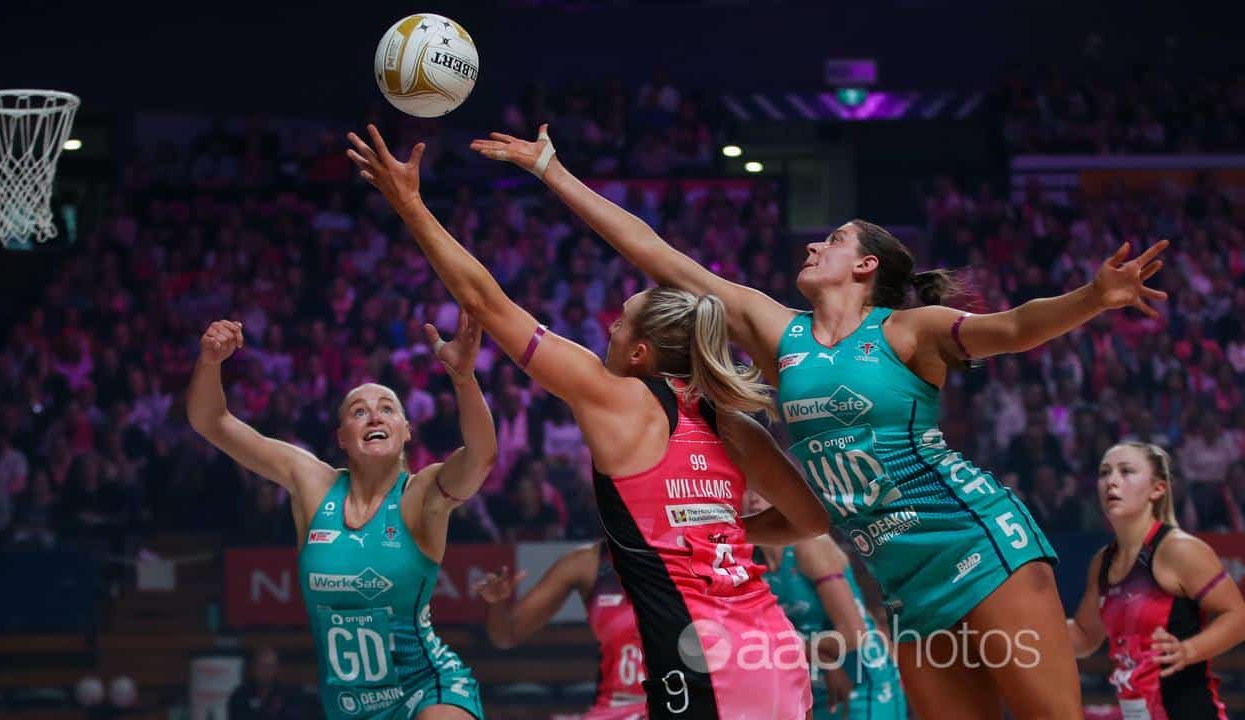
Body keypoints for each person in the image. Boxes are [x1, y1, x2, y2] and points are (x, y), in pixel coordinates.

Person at [469, 125, 1171, 719]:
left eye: (831, 240)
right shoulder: (782, 335)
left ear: (865, 265)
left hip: (979, 545)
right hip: (903, 582)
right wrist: (552, 170)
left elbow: (1014, 327)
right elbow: (657, 255)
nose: (811, 247)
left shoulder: (906, 331)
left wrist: (1093, 297)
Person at [348, 126, 830, 720]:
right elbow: (811, 519)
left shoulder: (617, 399)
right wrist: (724, 532)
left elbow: (487, 301)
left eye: (620, 323)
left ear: (640, 354)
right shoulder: (736, 427)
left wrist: (409, 205)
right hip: (774, 651)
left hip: (706, 662)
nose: (609, 328)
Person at [188, 313, 495, 720]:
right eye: (359, 411)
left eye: (387, 409)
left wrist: (464, 379)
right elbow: (211, 421)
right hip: (349, 708)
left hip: (427, 687)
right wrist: (209, 363)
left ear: (406, 431)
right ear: (342, 437)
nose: (374, 416)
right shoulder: (313, 484)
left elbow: (480, 457)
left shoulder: (420, 495)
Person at [1067, 443, 1245, 719]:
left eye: (1126, 471)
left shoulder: (1179, 550)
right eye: (1104, 473)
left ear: (1157, 489)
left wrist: (1189, 650)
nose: (1112, 481)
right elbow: (1084, 636)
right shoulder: (1103, 562)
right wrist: (1024, 626)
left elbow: (1238, 616)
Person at [746, 491, 907, 720]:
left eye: (762, 489)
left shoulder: (810, 544)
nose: (754, 498)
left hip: (862, 681)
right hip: (815, 684)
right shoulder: (748, 559)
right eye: (746, 488)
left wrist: (801, 651)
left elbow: (853, 635)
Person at [473, 543, 645, 720]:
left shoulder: (667, 556)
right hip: (616, 708)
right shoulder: (587, 562)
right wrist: (496, 603)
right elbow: (506, 636)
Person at [228, 647, 301, 720]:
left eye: (270, 666)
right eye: (262, 666)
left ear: (276, 669)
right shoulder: (240, 696)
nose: (266, 671)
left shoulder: (288, 696)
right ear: (254, 667)